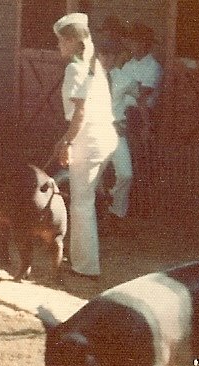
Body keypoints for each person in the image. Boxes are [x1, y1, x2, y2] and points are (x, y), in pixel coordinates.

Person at [53, 12, 118, 280]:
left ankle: (85, 266)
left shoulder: (74, 68)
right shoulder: (94, 64)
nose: (58, 45)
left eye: (61, 40)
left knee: (81, 203)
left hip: (89, 140)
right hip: (105, 138)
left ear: (71, 40)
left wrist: (66, 142)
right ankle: (83, 258)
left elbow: (80, 113)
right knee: (86, 199)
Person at [120, 21, 163, 216]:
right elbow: (119, 91)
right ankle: (126, 205)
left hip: (142, 116)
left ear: (146, 44)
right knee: (125, 160)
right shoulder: (127, 65)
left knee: (141, 161)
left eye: (137, 41)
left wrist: (129, 89)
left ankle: (142, 207)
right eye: (131, 41)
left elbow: (142, 94)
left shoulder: (153, 67)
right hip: (125, 114)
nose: (133, 45)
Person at [96, 37, 134, 234]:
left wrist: (142, 122)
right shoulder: (90, 78)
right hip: (96, 132)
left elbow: (140, 97)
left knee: (126, 174)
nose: (107, 59)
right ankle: (96, 213)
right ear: (98, 55)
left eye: (111, 55)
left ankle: (115, 212)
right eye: (103, 55)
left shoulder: (124, 78)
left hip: (117, 132)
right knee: (94, 176)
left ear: (116, 57)